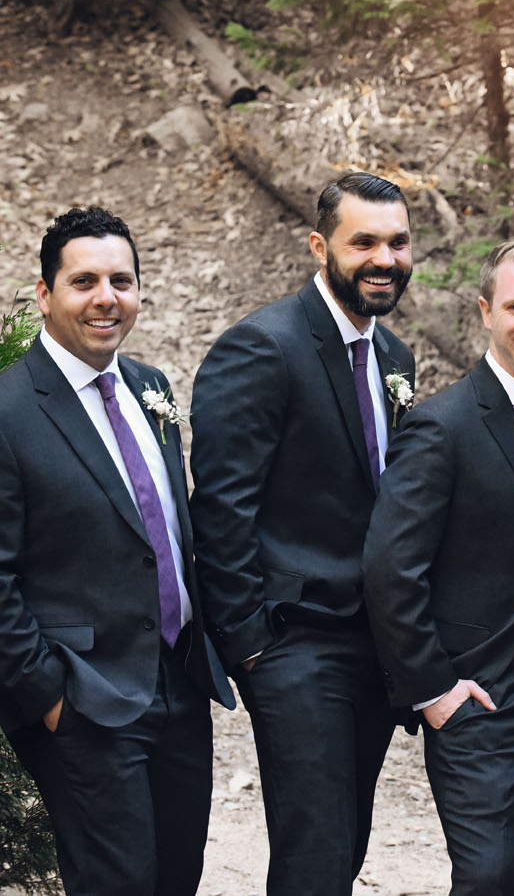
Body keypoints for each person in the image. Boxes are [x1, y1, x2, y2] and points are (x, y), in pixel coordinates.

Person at [189, 172, 416, 895]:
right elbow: (221, 507)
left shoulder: (395, 358)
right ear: (320, 246)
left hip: (374, 644)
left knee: (345, 843)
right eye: (364, 242)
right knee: (315, 850)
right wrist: (251, 645)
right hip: (293, 643)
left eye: (398, 242)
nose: (384, 259)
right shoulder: (261, 348)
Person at [0, 207, 234, 895]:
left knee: (178, 877)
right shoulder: (9, 411)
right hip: (84, 695)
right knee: (118, 883)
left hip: (178, 682)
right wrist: (49, 695)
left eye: (121, 281)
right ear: (45, 295)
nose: (106, 297)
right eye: (84, 282)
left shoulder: (150, 387)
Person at [363, 238, 514, 896]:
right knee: (487, 878)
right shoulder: (442, 426)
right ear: (486, 311)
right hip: (481, 695)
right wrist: (435, 690)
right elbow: (390, 568)